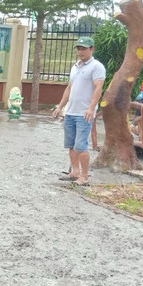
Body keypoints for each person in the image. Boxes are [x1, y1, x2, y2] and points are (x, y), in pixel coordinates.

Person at [51, 36, 105, 186]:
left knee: (81, 145)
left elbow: (98, 88)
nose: (80, 51)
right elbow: (69, 88)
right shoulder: (75, 66)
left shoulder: (96, 66)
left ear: (91, 49)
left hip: (84, 114)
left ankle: (84, 176)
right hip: (71, 112)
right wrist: (60, 106)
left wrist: (91, 108)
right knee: (71, 145)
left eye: (84, 48)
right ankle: (74, 172)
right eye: (79, 48)